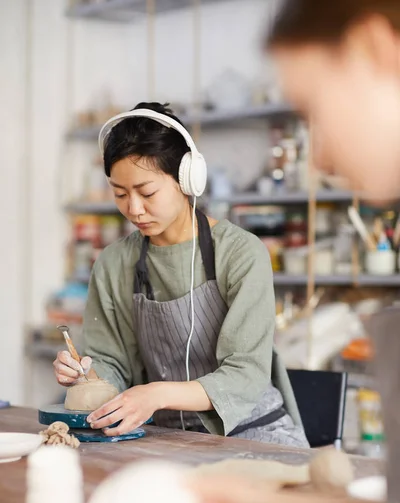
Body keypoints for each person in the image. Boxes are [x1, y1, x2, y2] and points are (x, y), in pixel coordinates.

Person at [127, 2, 400, 503]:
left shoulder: (239, 251)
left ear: (373, 50)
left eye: (315, 110)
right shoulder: (121, 262)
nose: (320, 157)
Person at [53, 101, 307, 447]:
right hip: (165, 436)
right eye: (120, 194)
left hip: (255, 433)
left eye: (147, 192)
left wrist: (157, 395)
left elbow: (245, 373)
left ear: (187, 179)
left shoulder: (241, 253)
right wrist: (86, 375)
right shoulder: (113, 263)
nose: (134, 209)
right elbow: (112, 364)